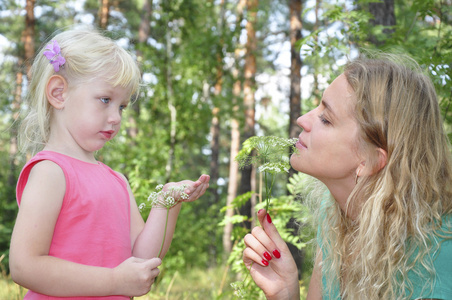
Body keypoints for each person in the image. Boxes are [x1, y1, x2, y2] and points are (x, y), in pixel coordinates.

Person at [9, 28, 210, 299]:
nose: (116, 117)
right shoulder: (50, 172)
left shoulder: (116, 180)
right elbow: (24, 266)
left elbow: (140, 259)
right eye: (105, 100)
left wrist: (167, 203)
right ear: (59, 93)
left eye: (122, 106)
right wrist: (114, 281)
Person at [242, 53, 452, 299]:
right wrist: (285, 291)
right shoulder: (336, 216)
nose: (302, 120)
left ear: (370, 160)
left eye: (326, 119)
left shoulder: (437, 263)